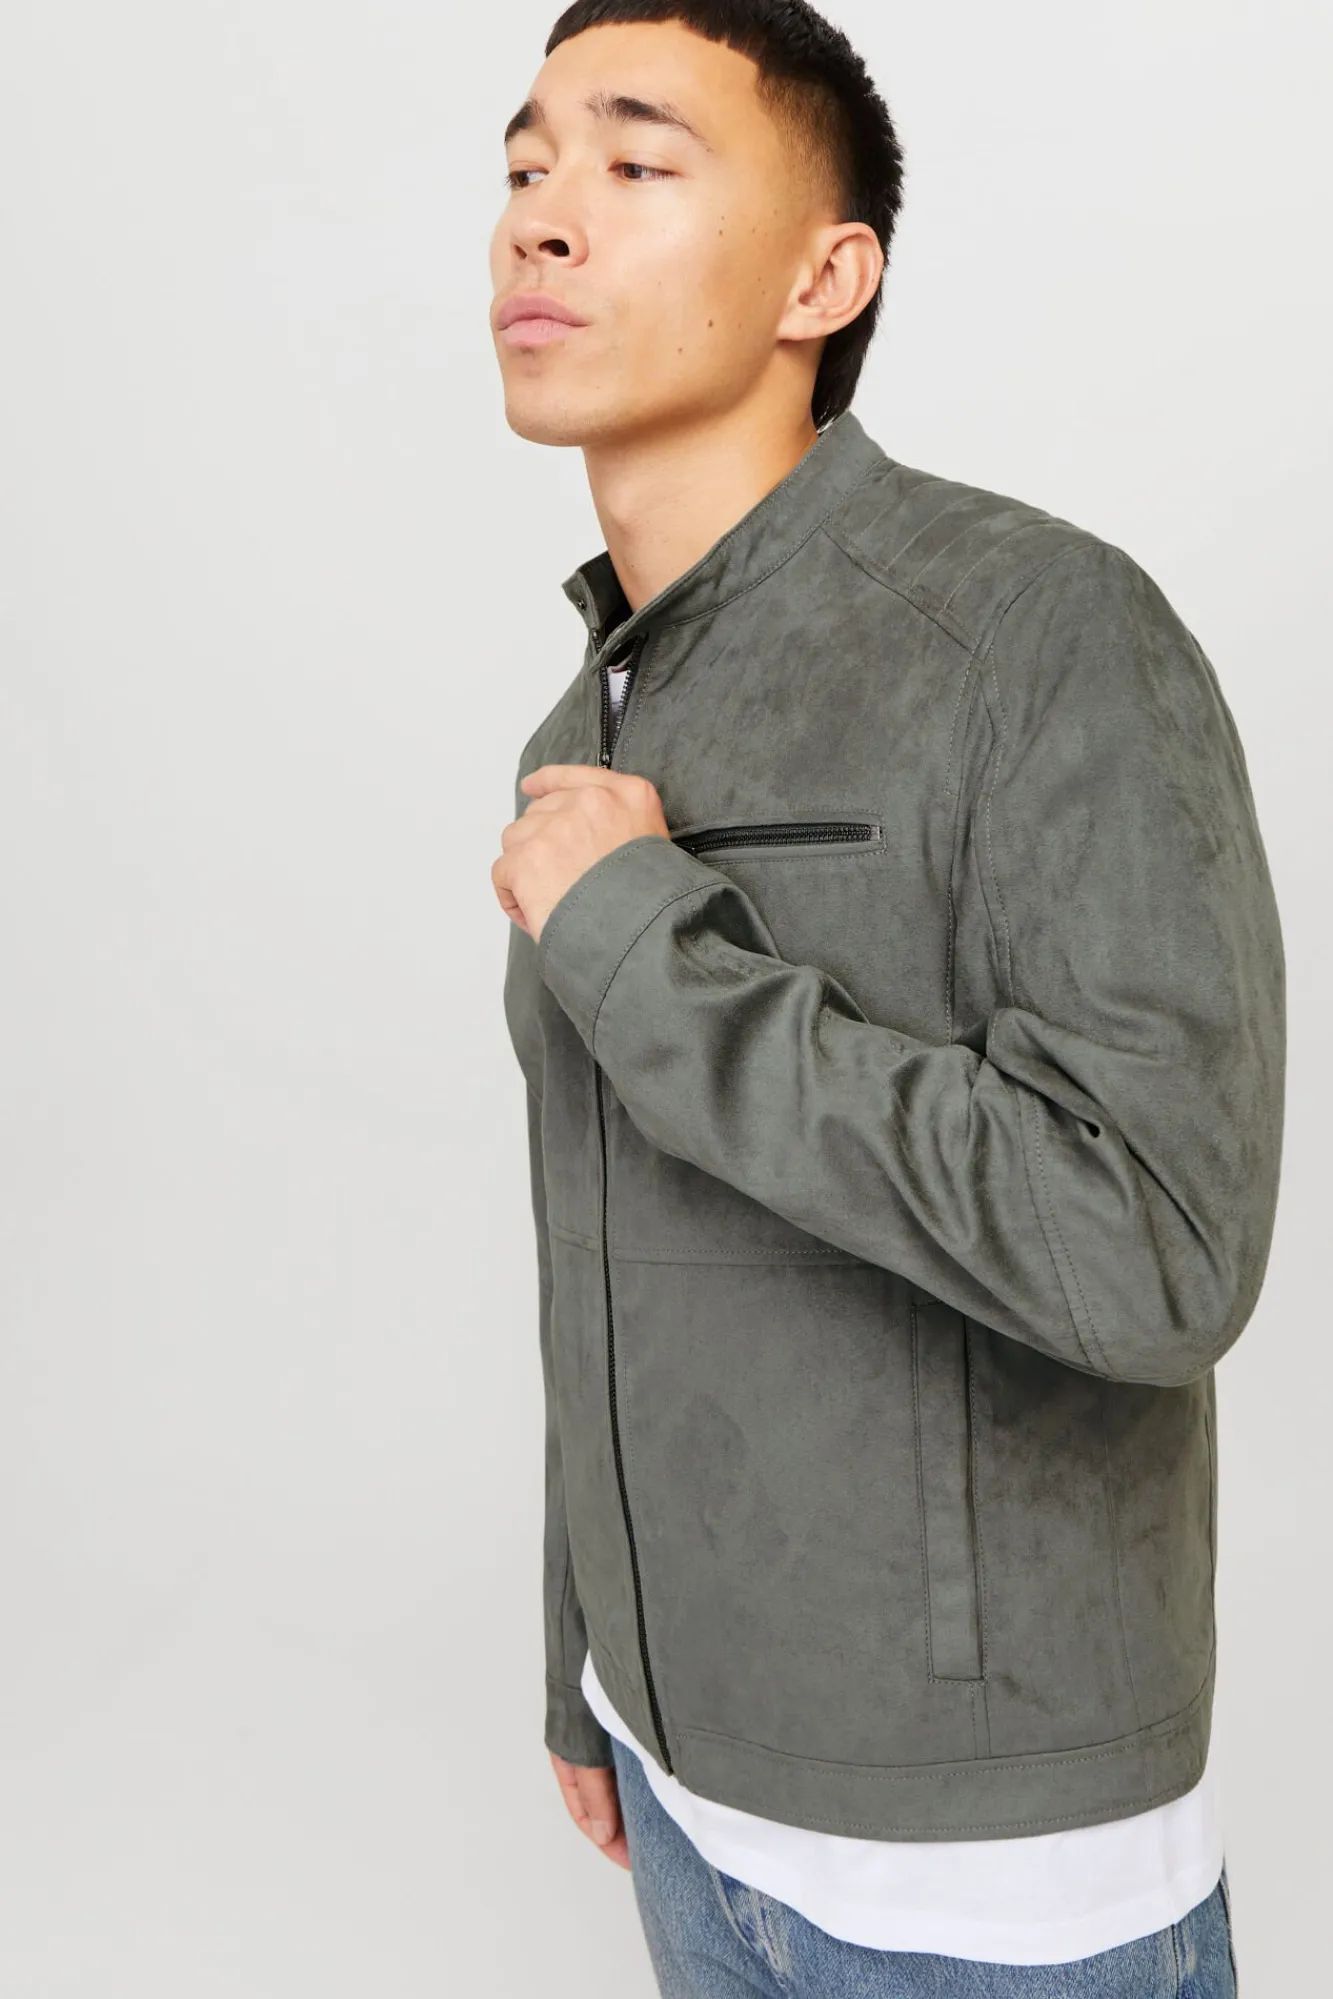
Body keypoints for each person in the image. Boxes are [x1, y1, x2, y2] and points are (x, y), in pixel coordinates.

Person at [489, 4, 1280, 1993]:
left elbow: (1160, 1240)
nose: (542, 218)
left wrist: (655, 952)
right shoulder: (584, 730)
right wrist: (590, 1653)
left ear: (824, 277)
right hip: (684, 1802)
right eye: (525, 166)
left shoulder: (1039, 629)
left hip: (991, 1898)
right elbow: (601, 1236)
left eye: (634, 162)